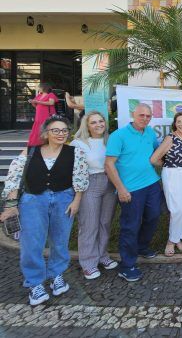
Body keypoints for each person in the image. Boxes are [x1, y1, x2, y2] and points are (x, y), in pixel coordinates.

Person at [0, 116, 88, 305]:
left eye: (64, 130)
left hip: (64, 198)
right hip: (32, 200)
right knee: (32, 242)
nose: (61, 134)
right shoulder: (31, 151)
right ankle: (35, 283)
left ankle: (57, 275)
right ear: (45, 133)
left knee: (60, 240)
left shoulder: (75, 152)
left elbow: (80, 178)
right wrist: (11, 204)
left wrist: (77, 201)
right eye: (55, 130)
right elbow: (15, 177)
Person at [105, 103, 161, 283]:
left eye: (148, 116)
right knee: (131, 225)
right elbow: (109, 164)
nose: (145, 118)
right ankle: (127, 265)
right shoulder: (119, 135)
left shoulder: (150, 133)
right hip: (131, 188)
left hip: (152, 183)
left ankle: (142, 247)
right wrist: (120, 188)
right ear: (132, 114)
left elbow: (156, 153)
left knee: (153, 216)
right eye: (141, 115)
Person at [71, 111, 118, 280]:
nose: (98, 125)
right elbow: (76, 171)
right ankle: (88, 263)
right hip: (90, 183)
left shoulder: (110, 140)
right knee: (89, 224)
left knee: (105, 222)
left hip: (110, 182)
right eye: (93, 122)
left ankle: (102, 256)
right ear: (87, 125)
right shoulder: (78, 143)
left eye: (101, 121)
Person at [151, 112, 182, 256]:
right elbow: (154, 159)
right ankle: (170, 241)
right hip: (173, 174)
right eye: (179, 122)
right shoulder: (170, 138)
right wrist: (167, 164)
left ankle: (178, 238)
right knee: (177, 209)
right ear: (175, 124)